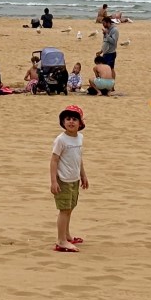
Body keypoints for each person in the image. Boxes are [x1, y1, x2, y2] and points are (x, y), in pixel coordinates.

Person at [50, 105, 88, 253]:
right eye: (67, 119)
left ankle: (66, 235)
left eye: (74, 119)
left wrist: (83, 175)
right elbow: (54, 160)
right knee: (64, 209)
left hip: (74, 179)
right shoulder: (61, 140)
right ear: (62, 122)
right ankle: (61, 241)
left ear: (80, 123)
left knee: (70, 208)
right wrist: (53, 181)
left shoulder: (80, 137)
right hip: (63, 180)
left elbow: (79, 158)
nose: (71, 122)